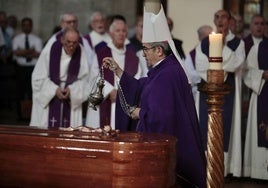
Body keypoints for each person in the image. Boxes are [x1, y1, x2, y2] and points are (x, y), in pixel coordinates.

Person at [102, 4, 206, 188]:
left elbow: (163, 117)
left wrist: (140, 113)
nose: (143, 54)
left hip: (169, 153)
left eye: (146, 49)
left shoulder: (167, 74)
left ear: (159, 50)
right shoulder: (164, 69)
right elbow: (144, 85)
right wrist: (119, 71)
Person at [195, 9, 245, 177]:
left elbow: (235, 64)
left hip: (229, 92)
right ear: (214, 20)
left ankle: (225, 169)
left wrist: (222, 46)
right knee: (205, 127)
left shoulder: (238, 43)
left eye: (224, 17)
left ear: (230, 21)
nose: (220, 20)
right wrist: (215, 77)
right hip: (207, 91)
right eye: (217, 17)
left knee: (227, 128)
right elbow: (201, 66)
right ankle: (206, 166)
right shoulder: (204, 43)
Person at [86, 15, 145, 131]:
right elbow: (93, 76)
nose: (121, 34)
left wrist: (121, 93)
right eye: (118, 31)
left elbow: (137, 79)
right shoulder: (101, 52)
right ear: (111, 33)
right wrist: (109, 91)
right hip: (104, 102)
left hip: (124, 104)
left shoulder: (132, 56)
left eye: (124, 31)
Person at [30, 28, 89, 128]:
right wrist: (54, 90)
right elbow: (37, 78)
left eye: (74, 43)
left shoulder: (81, 51)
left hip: (70, 96)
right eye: (68, 42)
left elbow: (86, 80)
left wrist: (72, 90)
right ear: (62, 40)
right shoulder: (50, 49)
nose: (71, 46)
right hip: (50, 96)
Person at [243, 14, 268, 180]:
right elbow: (247, 72)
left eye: (262, 24)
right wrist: (262, 74)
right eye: (256, 24)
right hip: (260, 93)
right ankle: (258, 171)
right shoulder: (254, 48)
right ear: (251, 26)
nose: (259, 26)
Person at [12, 17, 42, 120]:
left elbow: (38, 54)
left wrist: (22, 51)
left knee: (31, 92)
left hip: (32, 69)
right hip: (20, 68)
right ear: (22, 26)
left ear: (31, 26)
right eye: (24, 25)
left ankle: (31, 115)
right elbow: (16, 53)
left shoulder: (37, 39)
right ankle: (20, 115)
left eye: (28, 25)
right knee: (19, 92)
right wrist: (30, 51)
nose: (26, 27)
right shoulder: (16, 39)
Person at [184, 25, 213, 101]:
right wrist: (207, 76)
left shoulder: (216, 51)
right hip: (199, 92)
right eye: (207, 37)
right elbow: (188, 74)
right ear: (200, 37)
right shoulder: (192, 55)